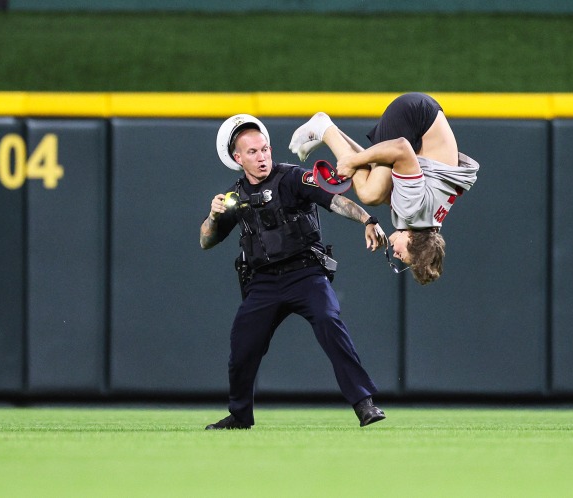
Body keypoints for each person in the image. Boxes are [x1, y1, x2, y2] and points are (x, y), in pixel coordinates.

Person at [200, 114, 388, 430]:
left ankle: (364, 404)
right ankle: (240, 415)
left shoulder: (291, 178)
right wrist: (213, 216)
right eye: (252, 152)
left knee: (330, 322)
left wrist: (368, 220)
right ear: (238, 158)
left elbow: (335, 201)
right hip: (263, 283)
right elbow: (206, 241)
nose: (262, 157)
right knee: (242, 345)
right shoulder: (234, 198)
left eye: (265, 149)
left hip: (305, 275)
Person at [289, 92, 480, 285]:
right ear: (412, 241)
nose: (396, 255)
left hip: (424, 116)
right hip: (415, 117)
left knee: (378, 188)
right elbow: (401, 148)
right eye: (405, 258)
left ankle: (330, 132)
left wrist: (368, 220)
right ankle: (324, 129)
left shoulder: (426, 223)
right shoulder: (412, 212)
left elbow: (386, 165)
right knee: (370, 194)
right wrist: (352, 161)